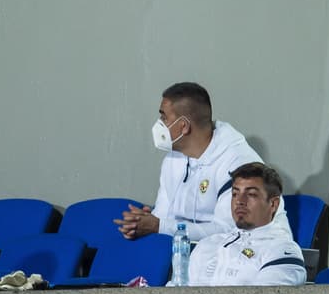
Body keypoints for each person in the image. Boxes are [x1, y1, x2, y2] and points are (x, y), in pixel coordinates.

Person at [117, 82, 291, 242]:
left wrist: (158, 226)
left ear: (183, 126)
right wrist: (142, 223)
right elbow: (164, 217)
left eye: (164, 117)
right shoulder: (173, 158)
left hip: (254, 254)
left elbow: (229, 231)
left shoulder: (238, 163)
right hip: (198, 255)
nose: (159, 124)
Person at [186, 162, 306, 286]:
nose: (239, 201)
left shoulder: (282, 250)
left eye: (251, 194)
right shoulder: (207, 245)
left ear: (273, 204)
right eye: (235, 194)